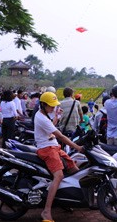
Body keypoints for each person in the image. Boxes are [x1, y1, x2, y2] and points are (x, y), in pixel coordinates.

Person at [34, 92, 83, 222]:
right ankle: (46, 211)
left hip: (54, 147)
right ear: (43, 105)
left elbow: (51, 127)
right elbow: (60, 136)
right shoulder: (41, 118)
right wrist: (77, 147)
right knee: (59, 175)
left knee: (73, 168)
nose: (52, 108)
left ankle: (66, 199)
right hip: (47, 149)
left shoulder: (44, 114)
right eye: (51, 106)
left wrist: (56, 116)